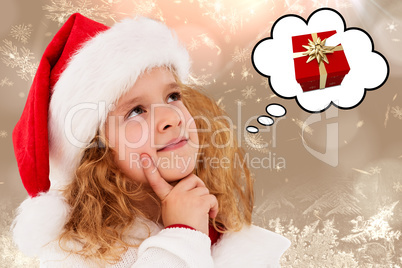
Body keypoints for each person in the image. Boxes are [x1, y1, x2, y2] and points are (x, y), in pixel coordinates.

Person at [12, 13, 290, 267]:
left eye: (173, 96)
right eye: (136, 111)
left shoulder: (224, 231)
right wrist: (182, 236)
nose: (172, 117)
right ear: (95, 151)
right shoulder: (76, 254)